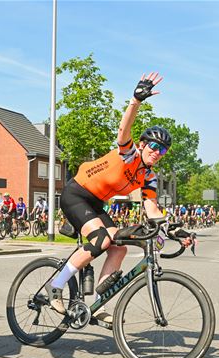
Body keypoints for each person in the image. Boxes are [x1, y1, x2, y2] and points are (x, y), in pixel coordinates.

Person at [50, 73, 193, 324]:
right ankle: (56, 286)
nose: (157, 153)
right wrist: (136, 101)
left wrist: (176, 230)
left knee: (119, 247)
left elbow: (151, 208)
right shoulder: (129, 154)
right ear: (142, 145)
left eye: (163, 151)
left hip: (96, 203)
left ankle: (98, 303)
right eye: (154, 147)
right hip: (76, 193)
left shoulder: (148, 175)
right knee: (101, 239)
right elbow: (123, 129)